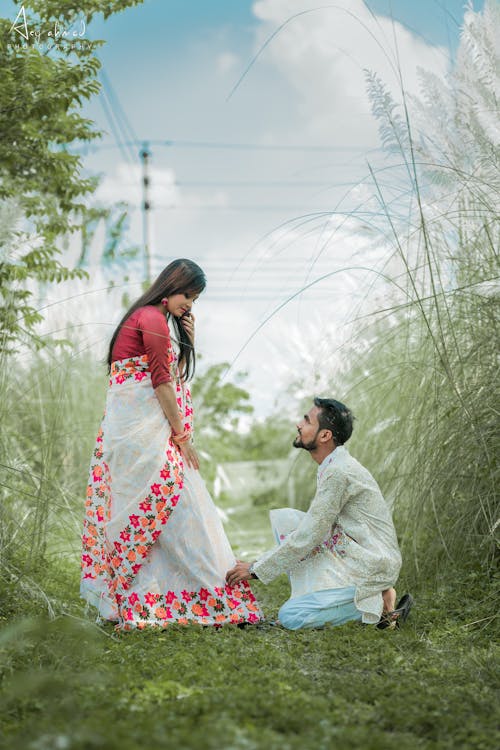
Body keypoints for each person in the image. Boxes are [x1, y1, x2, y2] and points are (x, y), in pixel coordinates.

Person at [81, 259, 262, 630]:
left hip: (130, 436)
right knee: (182, 509)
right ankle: (210, 596)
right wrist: (182, 438)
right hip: (142, 437)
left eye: (195, 299)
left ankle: (152, 600)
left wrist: (188, 341)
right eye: (187, 295)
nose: (190, 305)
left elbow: (168, 375)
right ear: (171, 287)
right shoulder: (150, 318)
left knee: (169, 514)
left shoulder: (151, 320)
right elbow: (161, 383)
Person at [226, 398, 412, 630]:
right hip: (352, 549)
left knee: (291, 616)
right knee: (287, 521)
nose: (298, 425)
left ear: (324, 436)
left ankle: (376, 603)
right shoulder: (333, 464)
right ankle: (366, 596)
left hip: (373, 562)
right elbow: (312, 529)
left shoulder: (338, 471)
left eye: (306, 421)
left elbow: (309, 535)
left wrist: (256, 569)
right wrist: (260, 563)